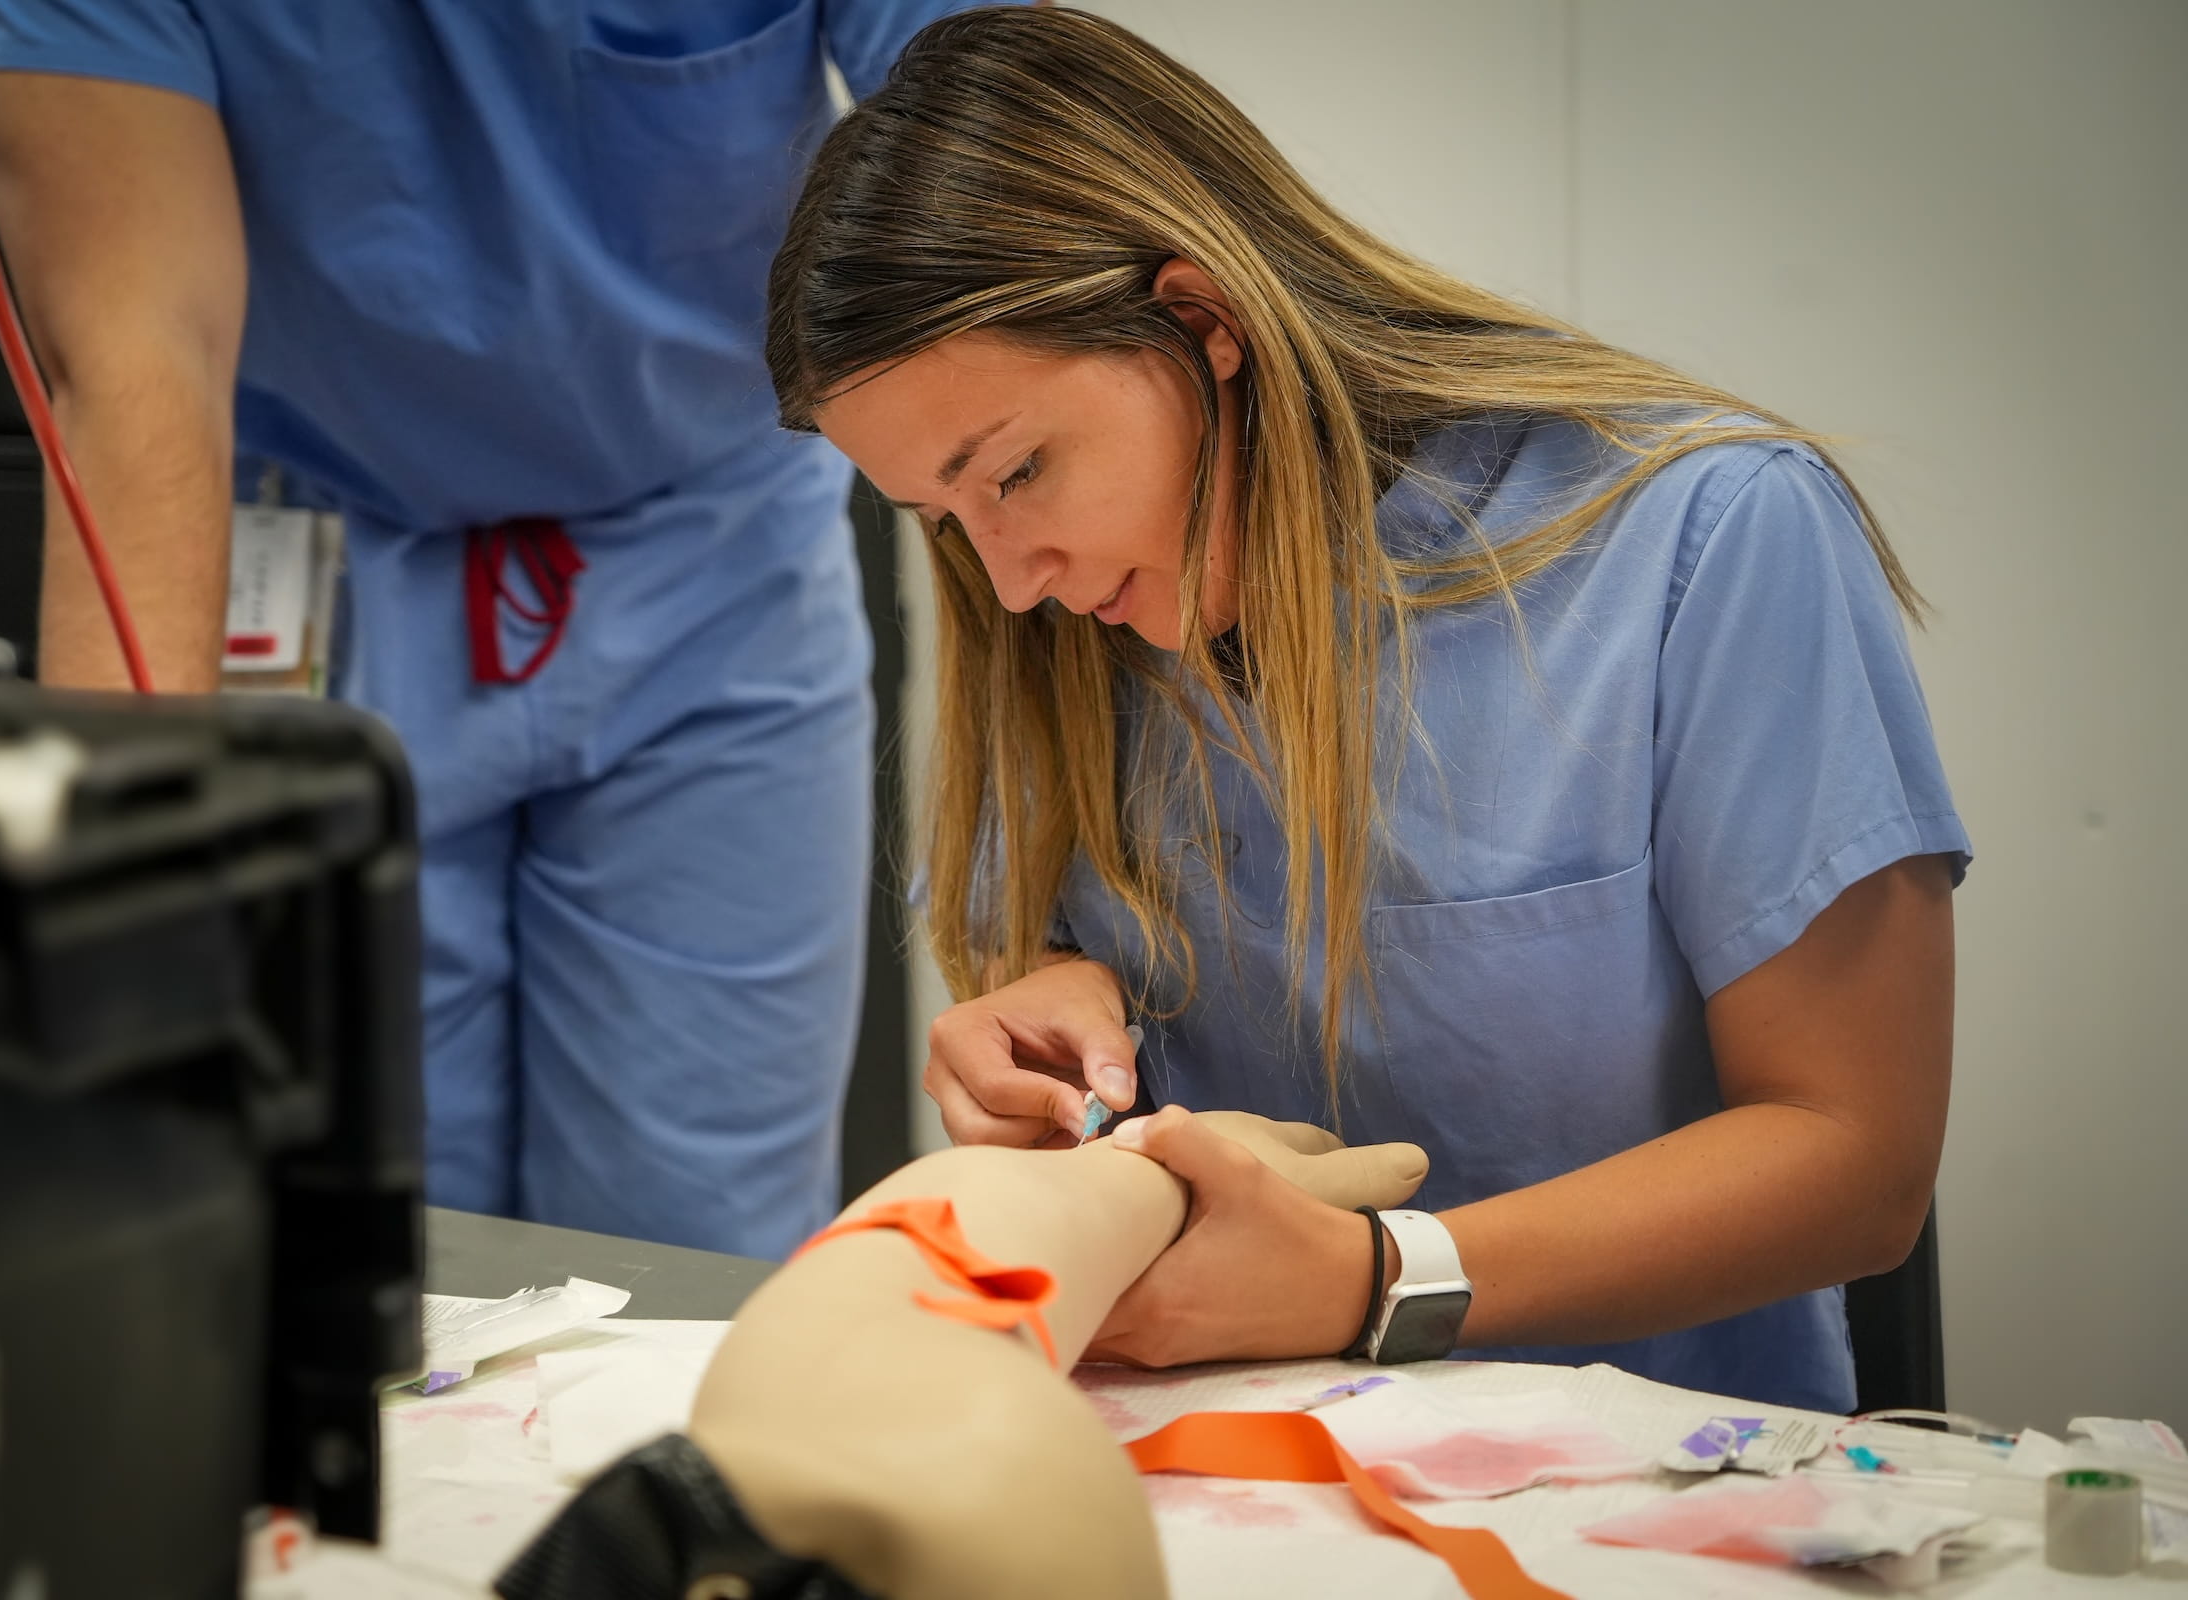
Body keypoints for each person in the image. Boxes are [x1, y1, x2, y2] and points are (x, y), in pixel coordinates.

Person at [767, 8, 1966, 1410]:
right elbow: (1041, 941)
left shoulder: (1703, 541)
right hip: (1220, 1461)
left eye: (1019, 472)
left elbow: (1854, 1160)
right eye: (939, 516)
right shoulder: (1064, 622)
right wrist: (1045, 995)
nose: (1011, 580)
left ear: (1201, 320)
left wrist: (1374, 1279)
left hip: (1658, 1469)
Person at [0, 0, 992, 1258]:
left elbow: (1004, 162)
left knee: (700, 1249)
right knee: (377, 1232)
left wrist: (1060, 888)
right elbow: (137, 360)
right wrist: (116, 898)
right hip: (313, 559)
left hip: (712, 545)